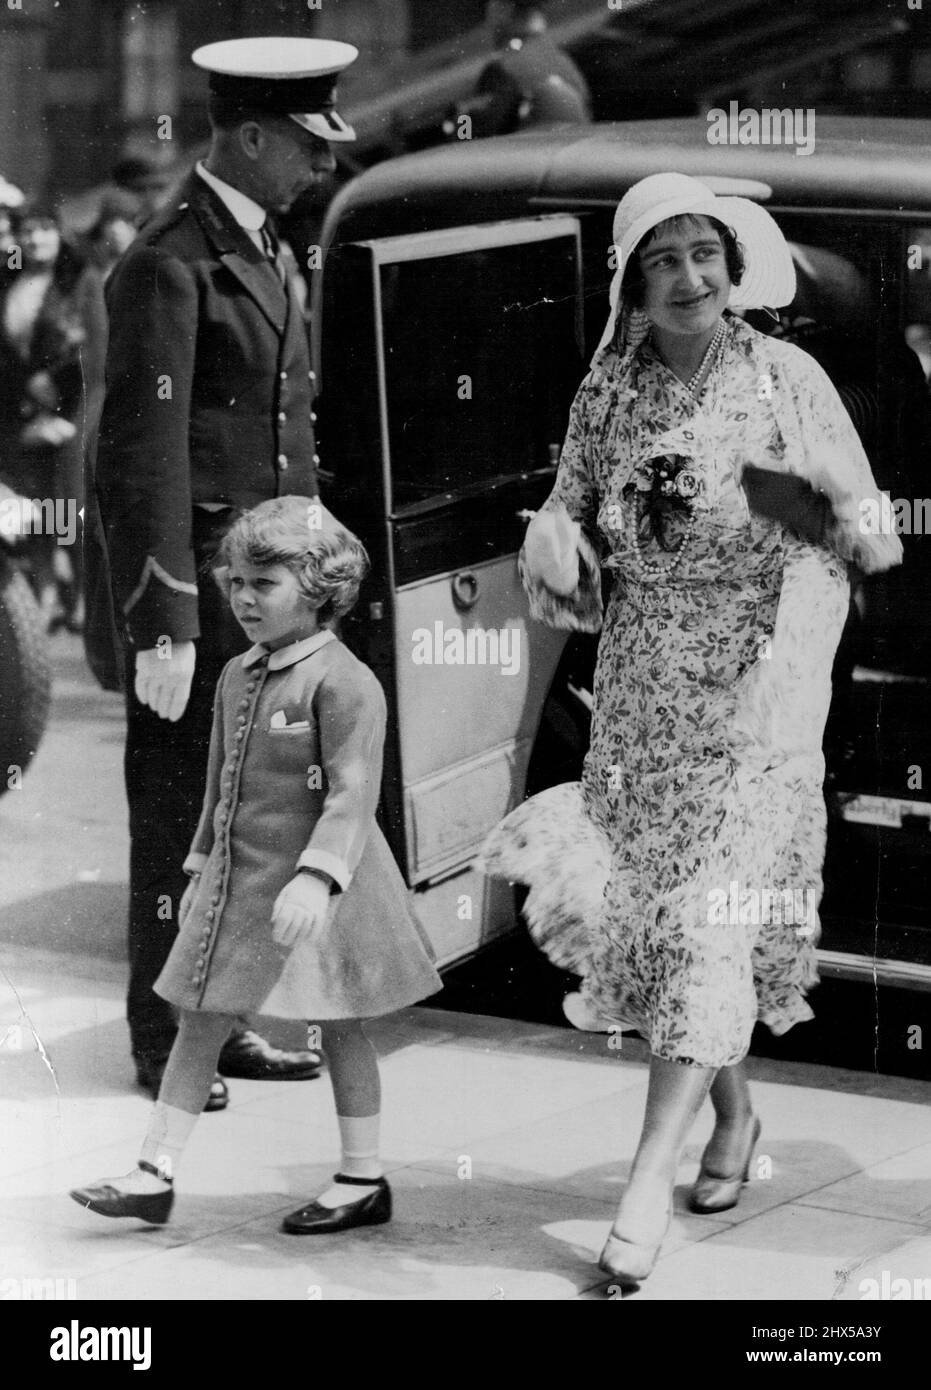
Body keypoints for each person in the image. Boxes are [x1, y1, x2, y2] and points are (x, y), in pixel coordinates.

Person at [480, 173, 902, 1287]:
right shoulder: (608, 387)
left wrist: (797, 500)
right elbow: (570, 510)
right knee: (669, 937)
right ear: (629, 279)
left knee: (702, 930)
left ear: (736, 265)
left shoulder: (784, 377)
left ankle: (640, 1188)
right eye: (659, 258)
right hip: (636, 702)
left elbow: (869, 535)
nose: (686, 278)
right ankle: (734, 1121)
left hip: (756, 701)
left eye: (702, 253)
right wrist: (557, 546)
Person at [90, 36, 361, 1110]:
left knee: (253, 826)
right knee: (175, 825)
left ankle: (225, 1018)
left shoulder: (266, 251)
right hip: (202, 607)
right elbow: (140, 454)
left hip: (270, 611)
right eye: (305, 143)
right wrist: (163, 621)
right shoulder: (170, 260)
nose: (320, 164)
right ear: (250, 137)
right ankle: (164, 1043)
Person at [70, 499, 442, 1233]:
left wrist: (317, 876)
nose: (242, 597)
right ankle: (153, 1173)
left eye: (263, 584)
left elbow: (350, 795)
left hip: (324, 888)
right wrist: (202, 856)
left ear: (319, 589)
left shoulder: (344, 683)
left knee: (341, 1024)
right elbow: (220, 779)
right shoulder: (238, 673)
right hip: (241, 887)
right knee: (200, 1019)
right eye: (235, 581)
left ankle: (362, 1177)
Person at [0, 199, 85, 628]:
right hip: (24, 412)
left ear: (59, 233)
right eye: (27, 231)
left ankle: (81, 596)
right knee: (32, 505)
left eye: (45, 229)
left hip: (72, 408)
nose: (35, 239)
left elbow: (91, 347)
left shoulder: (76, 282)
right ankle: (46, 594)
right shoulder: (8, 280)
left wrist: (61, 397)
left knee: (67, 504)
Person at [455, 1, 592, 139]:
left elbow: (477, 135)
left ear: (501, 10)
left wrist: (460, 119)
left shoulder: (502, 68)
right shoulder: (564, 62)